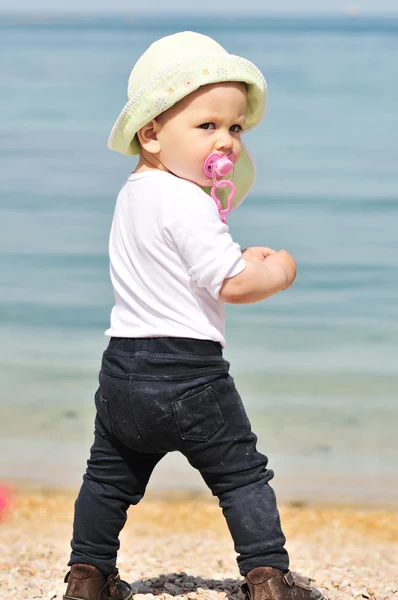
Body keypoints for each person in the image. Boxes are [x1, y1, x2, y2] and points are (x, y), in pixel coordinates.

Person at [63, 31, 324, 600]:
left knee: (108, 479)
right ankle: (268, 578)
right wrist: (278, 269)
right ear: (152, 132)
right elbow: (230, 283)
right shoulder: (191, 201)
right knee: (241, 477)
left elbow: (183, 265)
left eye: (236, 128)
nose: (227, 142)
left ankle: (88, 576)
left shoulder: (135, 193)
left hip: (123, 369)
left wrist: (234, 253)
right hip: (190, 372)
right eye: (207, 126)